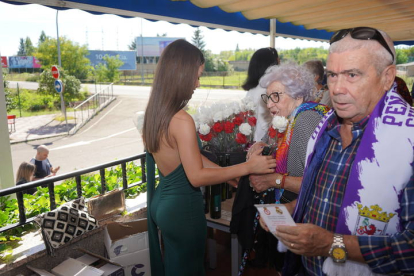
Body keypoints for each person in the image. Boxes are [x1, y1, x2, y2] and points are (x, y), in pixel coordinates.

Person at [268, 27, 414, 275]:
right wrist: (292, 211)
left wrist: (331, 244)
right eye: (332, 75)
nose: (336, 89)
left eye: (352, 75)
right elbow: (323, 197)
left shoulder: (407, 141)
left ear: (387, 77)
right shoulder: (325, 128)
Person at [142, 39, 276, 276]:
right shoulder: (182, 120)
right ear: (181, 75)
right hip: (183, 208)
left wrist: (225, 176)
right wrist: (248, 167)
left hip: (162, 204)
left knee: (175, 267)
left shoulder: (155, 113)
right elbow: (195, 177)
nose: (197, 83)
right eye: (196, 76)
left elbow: (190, 157)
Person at [231, 62, 330, 273]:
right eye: (268, 97)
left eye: (277, 96)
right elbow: (295, 155)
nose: (269, 104)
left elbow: (317, 183)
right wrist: (266, 145)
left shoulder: (306, 120)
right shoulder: (297, 117)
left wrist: (271, 180)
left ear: (298, 96)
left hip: (307, 219)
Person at [242, 47, 280, 142]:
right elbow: (266, 125)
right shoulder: (268, 90)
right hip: (263, 143)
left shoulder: (252, 90)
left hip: (252, 142)